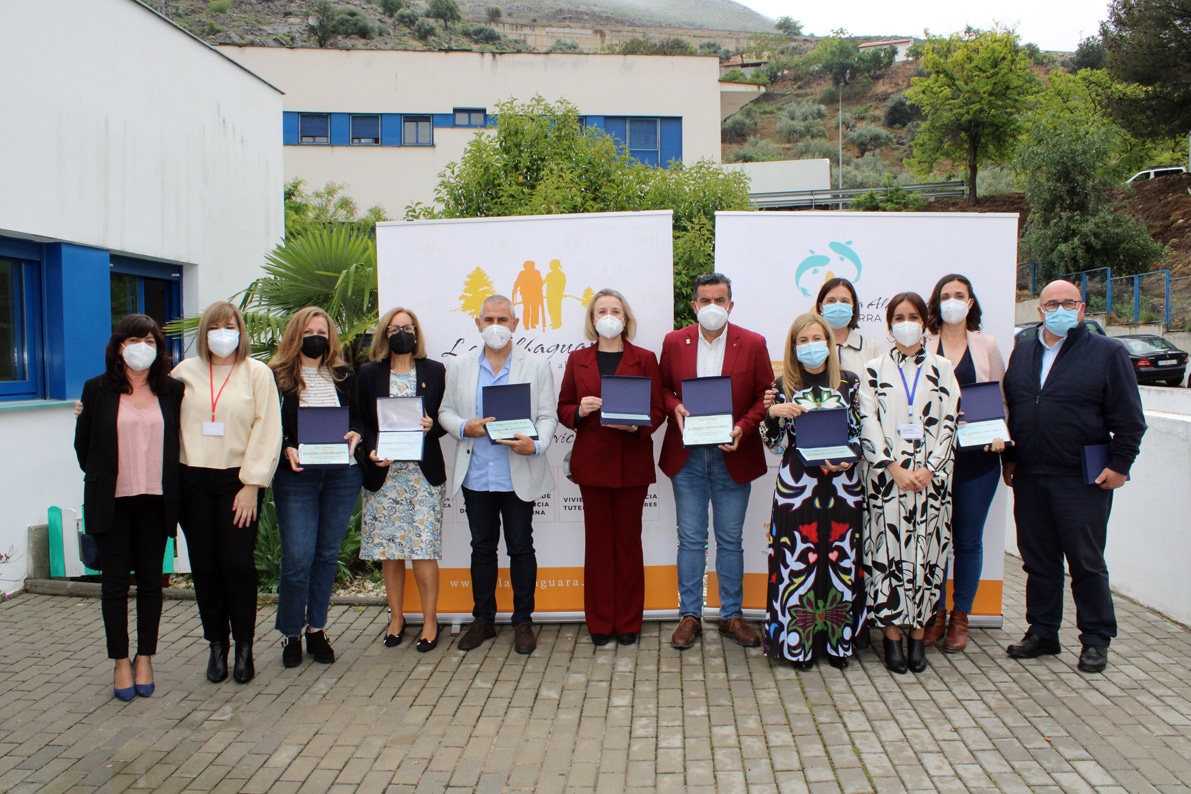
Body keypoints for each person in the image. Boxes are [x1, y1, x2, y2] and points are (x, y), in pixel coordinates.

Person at [1002, 280, 1145, 674]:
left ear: (1082, 310)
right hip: (1031, 472)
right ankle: (1043, 631)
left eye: (1069, 303)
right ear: (1040, 310)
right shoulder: (1025, 349)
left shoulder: (1106, 352)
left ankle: (1096, 639)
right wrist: (1010, 459)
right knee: (1038, 560)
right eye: (1052, 303)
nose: (1060, 309)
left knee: (1086, 561)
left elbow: (1130, 419)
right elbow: (1015, 407)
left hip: (1083, 477)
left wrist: (1120, 466)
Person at [659, 273, 773, 651]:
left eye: (719, 300)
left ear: (730, 304)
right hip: (687, 456)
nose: (712, 307)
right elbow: (661, 388)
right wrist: (674, 406)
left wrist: (743, 426)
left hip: (733, 455)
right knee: (690, 540)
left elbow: (765, 396)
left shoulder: (753, 343)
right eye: (705, 300)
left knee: (730, 541)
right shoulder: (674, 342)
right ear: (694, 305)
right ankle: (689, 615)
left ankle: (731, 616)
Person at [439, 295, 558, 654]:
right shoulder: (459, 366)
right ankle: (483, 621)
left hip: (517, 471)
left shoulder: (536, 365)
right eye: (489, 319)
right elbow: (444, 411)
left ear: (515, 324)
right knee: (481, 548)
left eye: (502, 319)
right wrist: (464, 426)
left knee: (522, 548)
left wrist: (535, 445)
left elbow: (547, 416)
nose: (496, 326)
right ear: (477, 324)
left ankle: (523, 622)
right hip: (476, 473)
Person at [74, 315, 184, 701]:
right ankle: (120, 660)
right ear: (119, 346)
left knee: (152, 583)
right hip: (113, 502)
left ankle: (145, 657)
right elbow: (83, 449)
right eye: (135, 340)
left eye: (151, 341)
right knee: (116, 584)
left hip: (156, 500)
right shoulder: (96, 390)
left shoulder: (172, 390)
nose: (143, 347)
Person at [174, 301, 282, 685]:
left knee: (237, 565)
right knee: (205, 567)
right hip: (193, 481)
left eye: (230, 325)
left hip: (238, 483)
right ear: (204, 332)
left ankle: (245, 646)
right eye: (215, 326)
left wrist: (252, 484)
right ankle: (216, 645)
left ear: (240, 330)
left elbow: (268, 430)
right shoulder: (184, 372)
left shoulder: (257, 373)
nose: (223, 333)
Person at [557, 289, 664, 647]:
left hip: (632, 462)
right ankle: (600, 622)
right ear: (592, 319)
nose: (608, 315)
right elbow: (562, 408)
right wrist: (580, 411)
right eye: (601, 310)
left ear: (626, 317)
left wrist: (637, 426)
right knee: (599, 545)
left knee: (629, 544)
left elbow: (659, 410)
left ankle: (630, 622)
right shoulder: (577, 360)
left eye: (615, 310)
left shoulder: (645, 358)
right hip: (593, 463)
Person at [859, 292, 959, 675]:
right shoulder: (873, 369)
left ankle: (919, 635)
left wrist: (931, 468)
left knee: (926, 560)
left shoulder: (944, 368)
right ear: (888, 325)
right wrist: (893, 468)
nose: (906, 322)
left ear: (924, 322)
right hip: (887, 482)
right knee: (887, 558)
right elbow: (867, 422)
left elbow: (949, 422)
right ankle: (892, 637)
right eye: (898, 316)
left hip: (931, 484)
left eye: (913, 316)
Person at [760, 313, 864, 671]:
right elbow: (774, 444)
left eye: (816, 338)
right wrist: (772, 413)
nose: (810, 346)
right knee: (796, 566)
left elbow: (861, 436)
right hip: (796, 488)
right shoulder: (781, 384)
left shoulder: (849, 383)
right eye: (802, 340)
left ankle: (837, 645)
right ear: (793, 347)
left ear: (829, 342)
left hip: (842, 486)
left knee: (839, 563)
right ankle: (797, 646)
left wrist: (848, 460)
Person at [269, 307, 363, 668]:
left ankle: (317, 628)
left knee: (326, 555)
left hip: (342, 474)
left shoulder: (343, 374)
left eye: (322, 332)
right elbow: (268, 425)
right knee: (297, 558)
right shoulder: (277, 377)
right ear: (296, 334)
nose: (316, 337)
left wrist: (358, 432)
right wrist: (285, 447)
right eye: (309, 331)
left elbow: (359, 416)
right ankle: (291, 631)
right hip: (298, 476)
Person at [924, 274, 1006, 653]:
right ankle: (935, 613)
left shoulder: (986, 345)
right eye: (946, 296)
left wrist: (999, 431)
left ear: (970, 303)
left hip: (978, 458)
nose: (952, 301)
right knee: (935, 541)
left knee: (968, 540)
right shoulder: (922, 343)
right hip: (931, 459)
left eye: (960, 295)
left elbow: (1001, 399)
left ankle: (961, 617)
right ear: (936, 303)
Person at [358, 307, 447, 652]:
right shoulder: (368, 373)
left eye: (407, 327)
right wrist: (369, 451)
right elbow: (362, 421)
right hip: (386, 473)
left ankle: (429, 620)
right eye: (394, 328)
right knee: (390, 552)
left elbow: (445, 418)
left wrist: (432, 425)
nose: (401, 333)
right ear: (384, 334)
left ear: (416, 332)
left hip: (423, 475)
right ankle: (396, 618)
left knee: (423, 549)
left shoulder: (435, 371)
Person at [815, 278, 884, 378]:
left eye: (844, 301)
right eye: (831, 301)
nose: (838, 305)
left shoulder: (871, 348)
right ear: (821, 306)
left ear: (853, 307)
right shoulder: (811, 347)